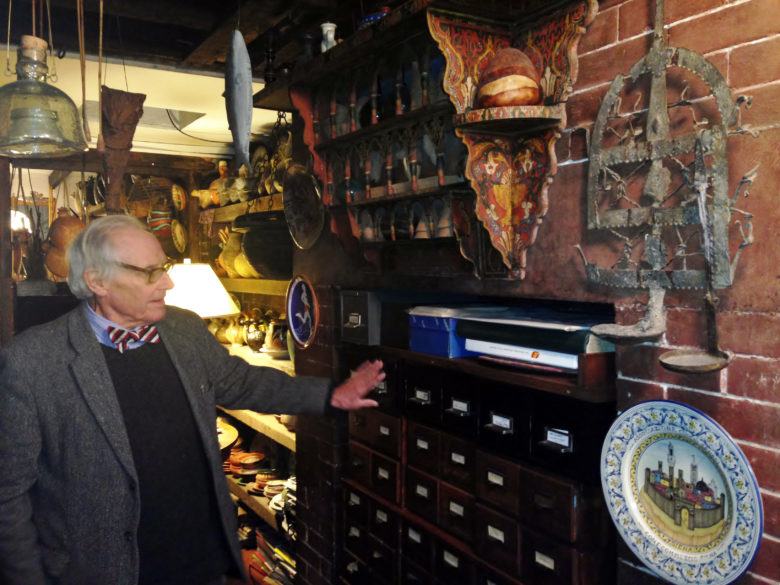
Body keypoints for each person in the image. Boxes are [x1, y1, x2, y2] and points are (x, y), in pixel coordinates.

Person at [0, 214, 384, 585]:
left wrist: (332, 394)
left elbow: (243, 382)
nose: (167, 282)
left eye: (163, 267)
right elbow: (8, 497)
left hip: (200, 563)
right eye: (150, 272)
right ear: (97, 281)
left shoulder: (183, 328)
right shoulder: (31, 362)